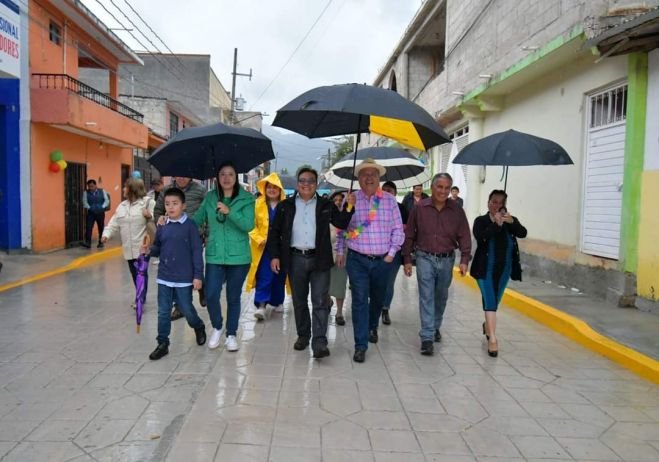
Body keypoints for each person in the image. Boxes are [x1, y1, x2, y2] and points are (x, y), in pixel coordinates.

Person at [268, 168, 354, 359]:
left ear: (316, 184)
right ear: (297, 183)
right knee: (299, 301)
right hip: (295, 258)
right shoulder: (285, 206)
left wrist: (349, 206)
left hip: (320, 259)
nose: (306, 184)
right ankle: (303, 335)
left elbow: (341, 223)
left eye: (311, 181)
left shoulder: (325, 205)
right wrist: (275, 256)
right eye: (302, 180)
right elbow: (274, 233)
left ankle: (320, 342)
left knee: (320, 301)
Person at [336, 159, 404, 363]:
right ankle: (360, 345)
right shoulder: (351, 200)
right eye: (364, 175)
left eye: (373, 174)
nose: (369, 178)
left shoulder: (390, 200)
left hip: (384, 260)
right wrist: (340, 251)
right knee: (358, 300)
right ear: (358, 179)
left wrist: (391, 254)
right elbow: (342, 229)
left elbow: (398, 230)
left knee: (377, 299)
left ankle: (372, 325)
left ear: (379, 178)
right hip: (357, 259)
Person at [402, 173, 472, 356]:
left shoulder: (457, 210)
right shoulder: (420, 208)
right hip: (424, 257)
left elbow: (464, 234)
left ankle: (435, 325)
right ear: (432, 188)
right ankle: (427, 337)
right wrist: (407, 259)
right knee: (426, 295)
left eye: (447, 188)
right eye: (439, 187)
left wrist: (464, 259)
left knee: (441, 296)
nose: (443, 191)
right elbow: (409, 234)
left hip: (447, 258)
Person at [193, 163, 255, 352]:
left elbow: (248, 225)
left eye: (230, 174)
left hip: (239, 257)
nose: (226, 178)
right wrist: (172, 220)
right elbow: (197, 219)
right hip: (215, 256)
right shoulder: (211, 198)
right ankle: (218, 327)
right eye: (222, 174)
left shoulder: (247, 198)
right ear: (217, 177)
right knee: (211, 294)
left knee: (233, 297)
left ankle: (231, 334)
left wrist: (230, 212)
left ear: (236, 177)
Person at [142, 187, 206, 360]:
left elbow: (196, 252)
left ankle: (198, 326)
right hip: (164, 276)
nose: (170, 207)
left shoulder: (190, 227)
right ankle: (162, 343)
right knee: (163, 312)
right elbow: (158, 247)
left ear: (183, 205)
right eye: (167, 204)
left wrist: (198, 276)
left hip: (184, 278)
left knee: (186, 309)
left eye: (175, 204)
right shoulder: (162, 225)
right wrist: (149, 250)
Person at [471, 190, 527, 357]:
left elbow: (523, 233)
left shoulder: (510, 220)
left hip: (504, 270)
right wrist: (496, 225)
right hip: (484, 269)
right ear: (488, 202)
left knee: (495, 300)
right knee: (490, 301)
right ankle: (493, 340)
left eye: (500, 202)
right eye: (493, 201)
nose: (496, 205)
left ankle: (487, 326)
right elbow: (481, 238)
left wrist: (512, 222)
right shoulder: (481, 221)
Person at [155, 177, 208, 320]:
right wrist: (160, 222)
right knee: (178, 269)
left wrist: (207, 233)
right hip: (173, 235)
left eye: (184, 175)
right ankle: (180, 307)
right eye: (178, 175)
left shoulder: (200, 190)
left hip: (194, 234)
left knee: (193, 263)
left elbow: (208, 212)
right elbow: (158, 210)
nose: (181, 178)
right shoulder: (166, 191)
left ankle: (200, 287)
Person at [101, 178, 156, 307]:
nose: (123, 190)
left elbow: (157, 217)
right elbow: (114, 222)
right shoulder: (122, 206)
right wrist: (106, 235)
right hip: (128, 248)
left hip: (143, 246)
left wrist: (149, 216)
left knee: (141, 274)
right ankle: (140, 295)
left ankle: (140, 299)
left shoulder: (148, 203)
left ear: (133, 189)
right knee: (135, 274)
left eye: (126, 187)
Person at [245, 173, 287, 321]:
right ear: (265, 188)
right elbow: (251, 224)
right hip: (263, 248)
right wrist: (258, 238)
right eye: (269, 187)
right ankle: (261, 305)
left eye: (275, 187)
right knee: (264, 275)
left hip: (281, 248)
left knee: (279, 276)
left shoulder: (286, 205)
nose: (272, 190)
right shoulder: (257, 204)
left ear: (280, 189)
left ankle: (277, 301)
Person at [380, 181, 408, 326]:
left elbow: (406, 228)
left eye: (389, 190)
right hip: (377, 250)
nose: (386, 193)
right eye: (384, 190)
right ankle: (375, 307)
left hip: (395, 251)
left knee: (389, 282)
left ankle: (385, 309)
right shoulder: (375, 205)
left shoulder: (402, 208)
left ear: (395, 193)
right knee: (376, 282)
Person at [328, 191, 349, 326]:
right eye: (335, 200)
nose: (338, 202)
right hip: (326, 256)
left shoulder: (348, 217)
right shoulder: (325, 216)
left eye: (340, 200)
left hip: (343, 257)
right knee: (325, 284)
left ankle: (339, 312)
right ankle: (327, 301)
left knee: (340, 284)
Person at [82, 179, 110, 249]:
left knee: (101, 227)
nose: (90, 188)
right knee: (88, 227)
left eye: (92, 186)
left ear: (95, 185)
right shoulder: (86, 192)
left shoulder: (102, 191)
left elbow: (106, 200)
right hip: (91, 213)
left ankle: (101, 242)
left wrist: (102, 207)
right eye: (89, 186)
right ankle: (88, 243)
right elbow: (84, 202)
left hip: (100, 212)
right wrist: (89, 207)